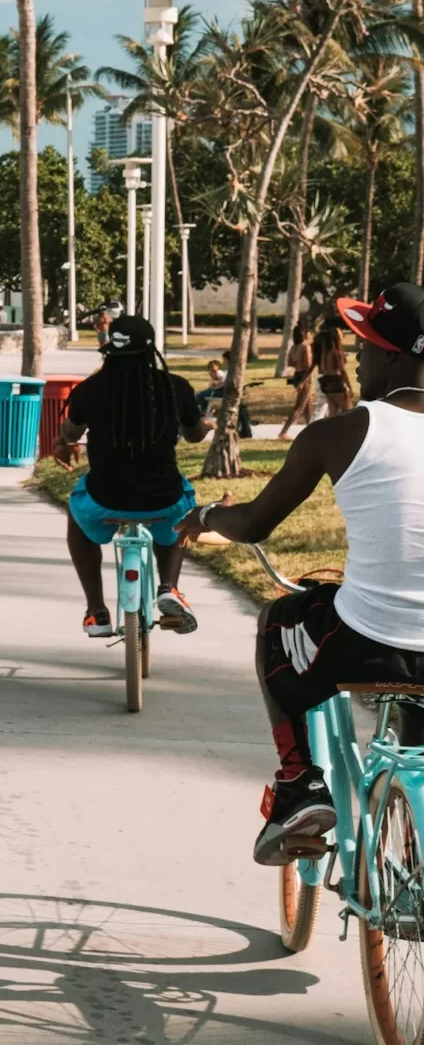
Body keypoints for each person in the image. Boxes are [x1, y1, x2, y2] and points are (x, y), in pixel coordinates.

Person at [177, 283, 424, 867]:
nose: (357, 359)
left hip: (368, 643)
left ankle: (299, 785)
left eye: (364, 346)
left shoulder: (341, 433)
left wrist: (209, 514)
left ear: (392, 355)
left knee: (279, 623)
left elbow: (257, 523)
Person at [52, 314, 211, 638]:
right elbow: (195, 436)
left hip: (104, 499)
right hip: (163, 499)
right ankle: (169, 587)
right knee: (184, 510)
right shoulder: (174, 388)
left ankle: (96, 610)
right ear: (151, 349)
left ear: (110, 349)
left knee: (75, 513)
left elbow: (70, 431)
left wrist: (64, 441)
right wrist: (200, 423)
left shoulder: (90, 389)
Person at [279, 324, 316, 439]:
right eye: (308, 332)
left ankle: (312, 429)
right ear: (304, 334)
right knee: (299, 406)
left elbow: (290, 363)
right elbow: (309, 365)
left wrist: (298, 363)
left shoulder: (293, 347)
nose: (310, 334)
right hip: (305, 377)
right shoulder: (306, 347)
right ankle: (284, 431)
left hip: (297, 375)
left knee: (308, 405)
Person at [317, 322, 356, 417]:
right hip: (335, 382)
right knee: (349, 411)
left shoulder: (324, 354)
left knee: (332, 412)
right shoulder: (337, 353)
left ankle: (329, 431)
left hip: (325, 382)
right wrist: (350, 387)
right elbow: (342, 370)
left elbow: (322, 369)